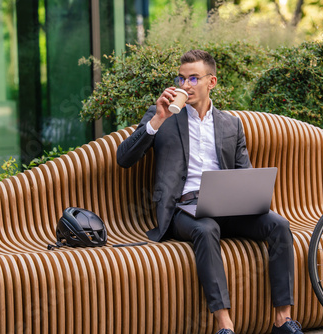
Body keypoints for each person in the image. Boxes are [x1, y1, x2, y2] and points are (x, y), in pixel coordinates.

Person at [117, 49, 303, 334]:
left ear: (211, 82)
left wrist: (250, 195)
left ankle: (283, 320)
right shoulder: (163, 116)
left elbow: (244, 172)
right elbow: (124, 158)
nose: (185, 85)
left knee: (278, 225)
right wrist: (156, 121)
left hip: (227, 207)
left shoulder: (231, 123)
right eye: (181, 79)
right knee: (206, 230)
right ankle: (224, 325)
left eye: (193, 78)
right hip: (184, 211)